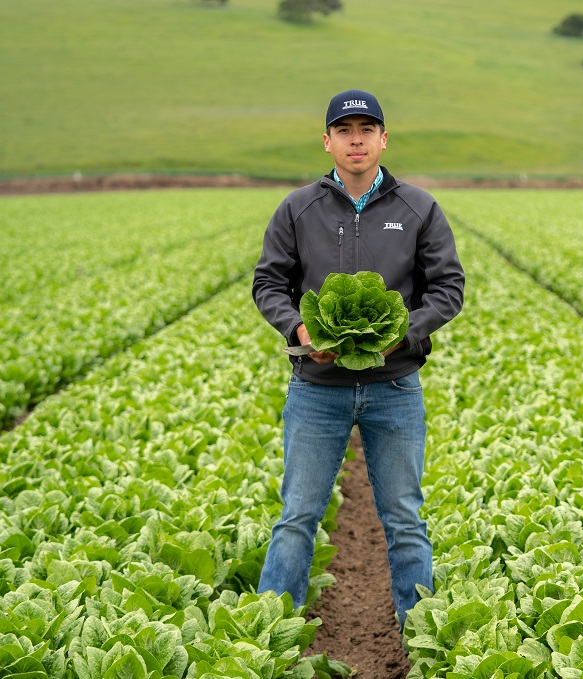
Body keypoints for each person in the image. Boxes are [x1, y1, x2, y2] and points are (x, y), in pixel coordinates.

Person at [251, 89, 464, 633]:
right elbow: (268, 282)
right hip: (317, 386)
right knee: (297, 517)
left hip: (393, 387)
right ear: (327, 141)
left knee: (405, 520)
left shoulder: (419, 207)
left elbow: (447, 289)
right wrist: (299, 328)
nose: (356, 140)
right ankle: (268, 637)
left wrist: (401, 333)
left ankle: (421, 641)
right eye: (344, 131)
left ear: (383, 139)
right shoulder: (298, 208)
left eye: (366, 130)